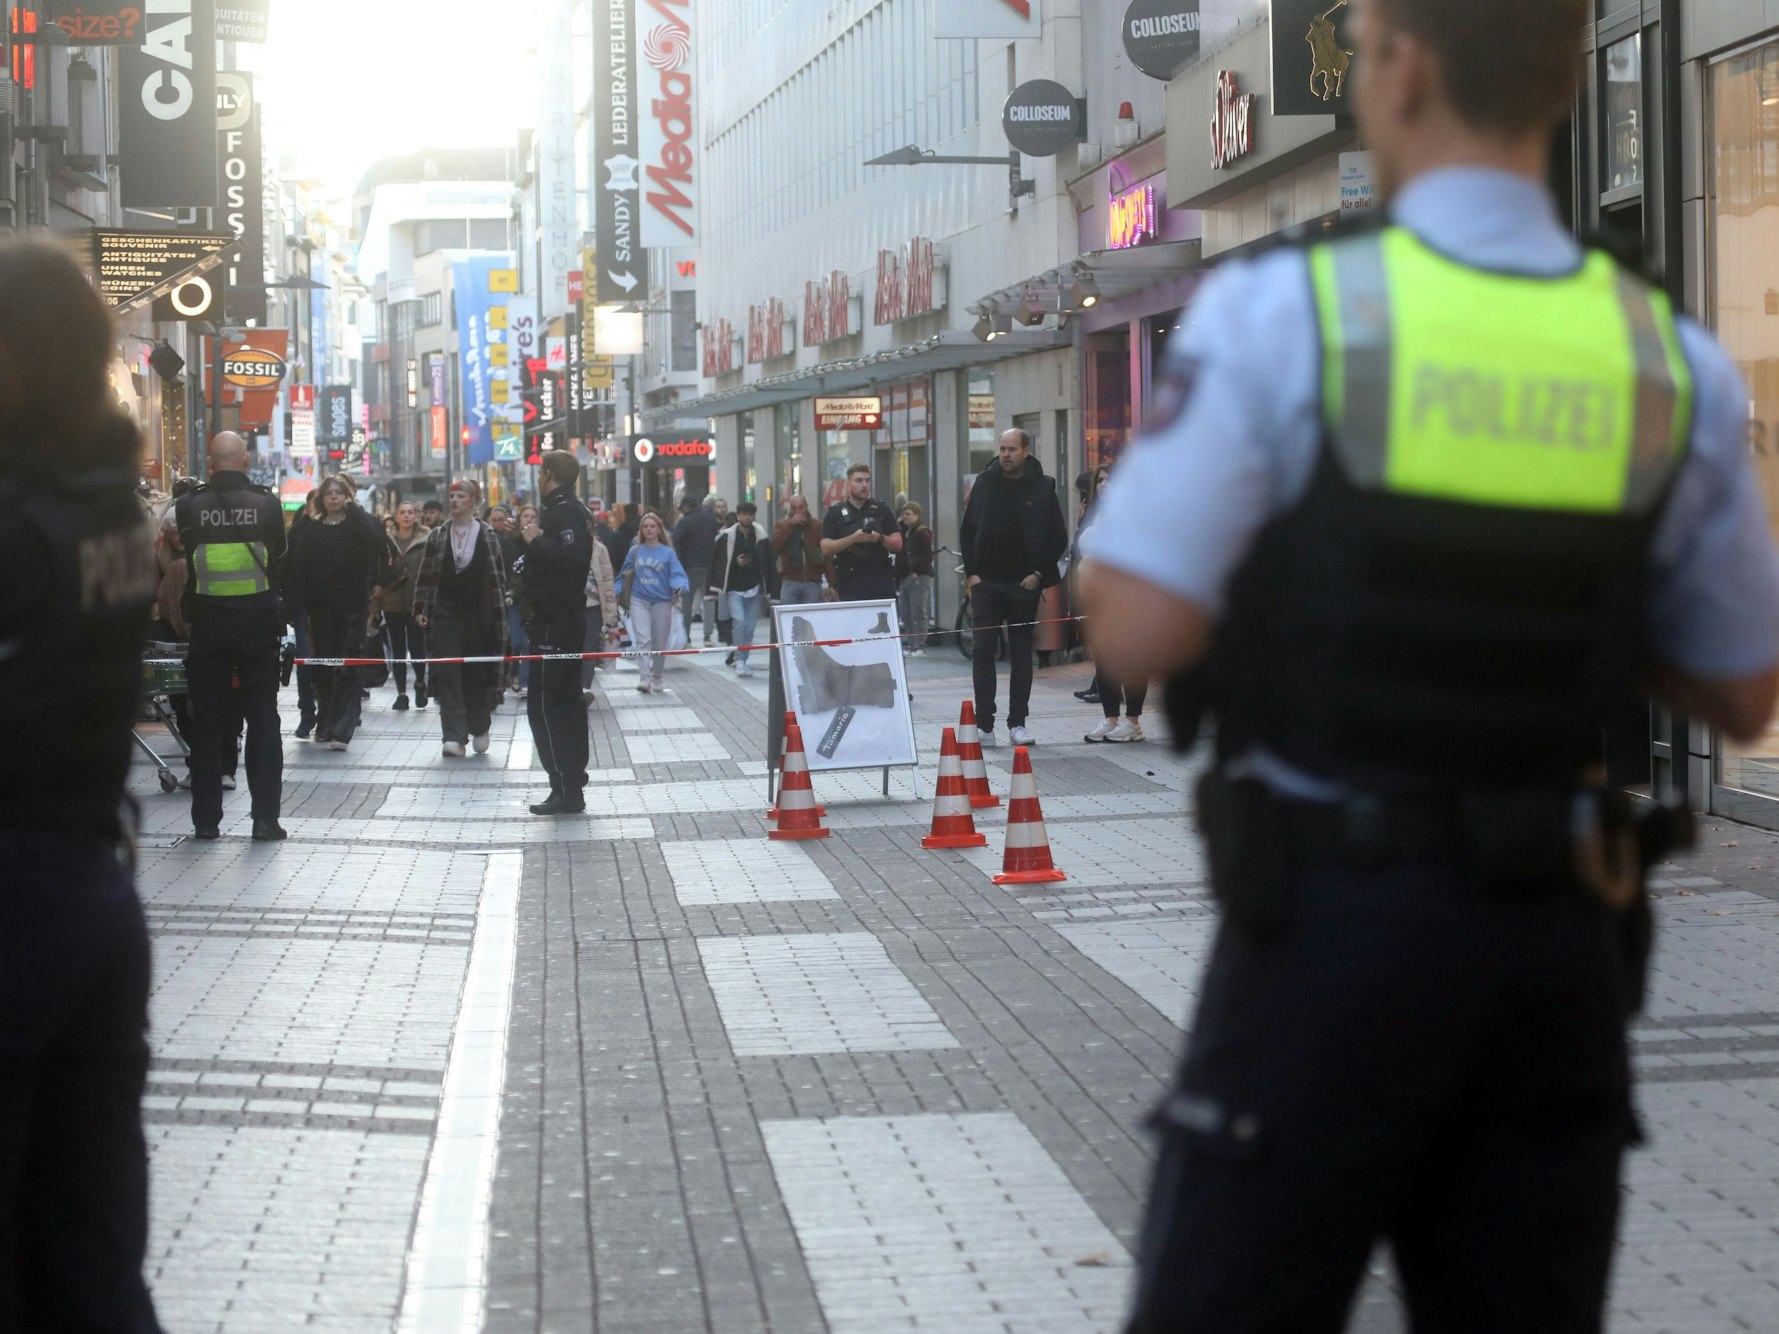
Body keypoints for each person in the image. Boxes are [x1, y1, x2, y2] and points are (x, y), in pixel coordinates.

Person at [1082, 1, 1779, 1328]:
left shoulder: (1288, 319)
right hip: (1550, 944)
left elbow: (1130, 631)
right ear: (1571, 75)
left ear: (1393, 66)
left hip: (1327, 929)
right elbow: (1739, 686)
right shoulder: (1664, 362)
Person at [0, 236, 165, 1331]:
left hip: (13, 892)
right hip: (94, 893)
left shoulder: (20, 523)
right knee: (93, 1256)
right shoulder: (111, 506)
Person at [172, 431, 289, 838]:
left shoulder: (188, 506)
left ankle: (205, 822)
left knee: (205, 723)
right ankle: (265, 820)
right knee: (262, 718)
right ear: (245, 462)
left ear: (209, 464)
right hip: (258, 625)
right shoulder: (267, 505)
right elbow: (281, 558)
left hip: (208, 625)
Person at [958, 429, 1067, 749]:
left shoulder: (1043, 486)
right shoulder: (985, 482)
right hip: (987, 583)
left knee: (1020, 654)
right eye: (1002, 449)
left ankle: (1017, 722)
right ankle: (984, 725)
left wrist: (1037, 574)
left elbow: (1057, 537)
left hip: (1024, 583)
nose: (1005, 455)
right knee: (982, 652)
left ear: (1025, 451)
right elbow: (968, 530)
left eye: (1011, 449)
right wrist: (973, 574)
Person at [285, 475, 388, 752]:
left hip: (352, 608)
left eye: (338, 493)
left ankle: (342, 729)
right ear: (321, 499)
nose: (333, 497)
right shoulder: (313, 530)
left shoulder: (357, 527)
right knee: (323, 668)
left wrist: (354, 510)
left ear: (347, 497)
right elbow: (298, 567)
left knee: (347, 667)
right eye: (328, 493)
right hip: (320, 609)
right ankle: (326, 721)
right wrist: (297, 604)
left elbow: (377, 541)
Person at [519, 452, 595, 815]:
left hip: (557, 619)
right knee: (563, 702)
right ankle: (568, 786)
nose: (537, 478)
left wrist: (536, 540)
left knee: (548, 705)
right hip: (557, 617)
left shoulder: (564, 511)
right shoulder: (564, 508)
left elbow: (572, 559)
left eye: (539, 473)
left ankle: (565, 786)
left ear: (547, 473)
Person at [412, 479, 508, 758]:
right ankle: (453, 736)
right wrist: (420, 609)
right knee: (448, 671)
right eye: (451, 495)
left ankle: (479, 725)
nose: (454, 500)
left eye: (460, 496)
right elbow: (426, 577)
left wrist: (497, 614)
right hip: (445, 612)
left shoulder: (488, 536)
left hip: (478, 616)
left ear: (473, 501)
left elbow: (497, 579)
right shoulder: (438, 536)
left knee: (476, 672)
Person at [616, 510, 689, 695]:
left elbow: (678, 575)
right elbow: (623, 576)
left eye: (652, 526)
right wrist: (612, 595)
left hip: (662, 601)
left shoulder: (668, 553)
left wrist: (679, 586)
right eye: (645, 526)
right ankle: (644, 678)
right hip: (638, 599)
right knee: (643, 639)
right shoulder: (635, 551)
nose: (649, 530)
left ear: (659, 530)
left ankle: (658, 677)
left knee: (659, 642)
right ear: (641, 530)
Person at [820, 464, 903, 602]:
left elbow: (898, 544)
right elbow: (825, 548)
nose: (864, 485)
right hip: (850, 583)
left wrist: (879, 538)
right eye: (859, 481)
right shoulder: (835, 513)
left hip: (881, 583)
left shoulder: (881, 510)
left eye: (867, 480)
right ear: (848, 484)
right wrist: (852, 539)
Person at [380, 500, 431, 710]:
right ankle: (401, 693)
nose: (407, 516)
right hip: (392, 601)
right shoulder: (387, 540)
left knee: (417, 647)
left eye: (410, 512)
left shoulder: (425, 539)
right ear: (397, 516)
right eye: (403, 512)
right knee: (398, 648)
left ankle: (420, 683)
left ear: (415, 516)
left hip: (416, 600)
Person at [710, 500, 768, 678]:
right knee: (739, 622)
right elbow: (719, 563)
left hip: (753, 587)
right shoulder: (728, 536)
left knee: (750, 626)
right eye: (744, 514)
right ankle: (739, 660)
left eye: (750, 514)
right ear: (738, 516)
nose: (747, 517)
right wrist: (736, 563)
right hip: (733, 588)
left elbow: (766, 561)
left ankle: (743, 657)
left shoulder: (760, 536)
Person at [489, 504, 530, 697]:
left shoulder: (513, 541)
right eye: (494, 519)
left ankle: (515, 675)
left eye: (501, 519)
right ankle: (504, 677)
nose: (498, 523)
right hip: (495, 594)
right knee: (499, 639)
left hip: (514, 596)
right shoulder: (488, 539)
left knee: (516, 640)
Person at [671, 494, 721, 645]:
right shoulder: (711, 520)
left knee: (687, 603)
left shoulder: (684, 522)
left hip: (689, 567)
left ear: (686, 507)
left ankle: (686, 637)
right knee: (709, 601)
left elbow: (675, 540)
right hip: (708, 566)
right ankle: (708, 635)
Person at [582, 515, 619, 690]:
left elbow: (607, 583)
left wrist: (610, 616)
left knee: (589, 652)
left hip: (593, 608)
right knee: (571, 652)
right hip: (570, 609)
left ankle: (584, 689)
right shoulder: (563, 547)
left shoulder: (600, 550)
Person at [894, 501, 934, 657]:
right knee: (906, 612)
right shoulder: (905, 533)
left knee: (917, 610)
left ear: (917, 515)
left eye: (908, 514)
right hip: (904, 576)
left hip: (919, 576)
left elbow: (927, 556)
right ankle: (911, 644)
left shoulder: (922, 532)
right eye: (903, 514)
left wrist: (917, 571)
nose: (905, 517)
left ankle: (920, 645)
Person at [773, 495, 828, 605]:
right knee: (788, 618)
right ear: (790, 509)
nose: (798, 511)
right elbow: (775, 546)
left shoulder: (817, 526)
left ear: (806, 507)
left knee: (811, 618)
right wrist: (790, 526)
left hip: (812, 581)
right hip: (790, 580)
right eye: (794, 508)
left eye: (801, 507)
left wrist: (831, 583)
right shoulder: (782, 525)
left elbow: (826, 554)